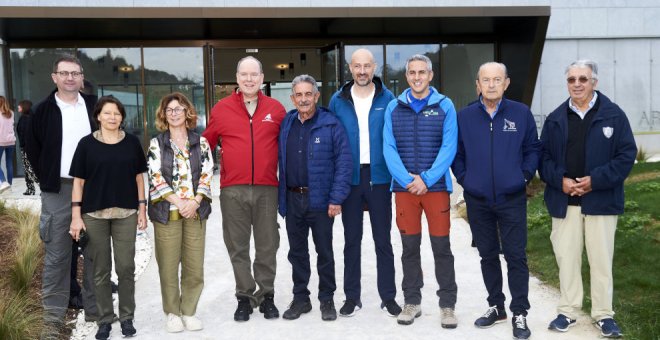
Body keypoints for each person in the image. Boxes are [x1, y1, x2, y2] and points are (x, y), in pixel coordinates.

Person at [539, 60, 636, 338]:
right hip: (564, 201)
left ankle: (604, 315)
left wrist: (596, 180)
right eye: (572, 79)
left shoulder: (614, 116)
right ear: (567, 83)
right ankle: (568, 311)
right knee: (566, 259)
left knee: (601, 261)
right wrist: (562, 181)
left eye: (583, 78)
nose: (577, 84)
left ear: (594, 82)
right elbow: (542, 159)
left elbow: (626, 156)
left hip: (601, 203)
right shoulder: (556, 118)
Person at [452, 62, 541, 340]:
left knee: (515, 255)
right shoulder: (464, 116)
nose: (491, 85)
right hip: (478, 199)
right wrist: (467, 180)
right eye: (486, 80)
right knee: (487, 255)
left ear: (506, 83)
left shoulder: (521, 113)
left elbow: (532, 149)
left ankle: (519, 312)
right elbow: (457, 153)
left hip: (511, 197)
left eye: (497, 79)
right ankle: (496, 306)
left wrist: (523, 177)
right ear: (478, 84)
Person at [202, 56, 286, 321]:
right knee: (237, 246)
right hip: (232, 190)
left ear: (262, 78)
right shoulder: (221, 109)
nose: (249, 79)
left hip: (266, 189)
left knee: (267, 245)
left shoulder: (277, 109)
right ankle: (244, 297)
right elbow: (205, 146)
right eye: (244, 74)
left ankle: (267, 294)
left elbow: (288, 147)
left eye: (254, 74)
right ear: (237, 78)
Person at [25, 55, 99, 338]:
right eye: (64, 73)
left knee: (96, 252)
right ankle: (53, 320)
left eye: (75, 73)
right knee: (57, 255)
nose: (70, 78)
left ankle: (95, 309)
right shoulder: (41, 112)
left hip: (94, 187)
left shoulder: (95, 107)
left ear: (82, 78)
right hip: (58, 190)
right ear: (54, 77)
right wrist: (49, 179)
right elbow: (33, 150)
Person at [383, 54, 458, 328]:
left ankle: (448, 305)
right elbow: (388, 149)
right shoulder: (393, 107)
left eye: (422, 72)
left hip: (436, 188)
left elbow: (449, 147)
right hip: (405, 191)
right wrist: (407, 180)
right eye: (412, 73)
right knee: (409, 248)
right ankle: (412, 301)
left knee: (442, 248)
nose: (417, 77)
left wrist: (425, 179)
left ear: (430, 75)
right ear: (406, 77)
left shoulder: (445, 106)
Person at [329, 48, 401, 317]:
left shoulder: (388, 98)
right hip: (349, 178)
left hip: (379, 177)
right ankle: (352, 297)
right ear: (350, 68)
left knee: (383, 240)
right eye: (357, 66)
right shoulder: (338, 100)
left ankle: (389, 296)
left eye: (367, 66)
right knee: (351, 241)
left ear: (375, 67)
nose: (362, 71)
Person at [68, 96, 147, 340]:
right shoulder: (86, 145)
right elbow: (78, 183)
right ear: (98, 116)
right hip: (94, 215)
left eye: (117, 113)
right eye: (107, 113)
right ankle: (104, 320)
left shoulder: (132, 143)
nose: (112, 117)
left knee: (125, 267)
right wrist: (75, 217)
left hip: (126, 214)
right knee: (100, 271)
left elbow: (139, 179)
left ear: (122, 117)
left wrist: (142, 209)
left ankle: (126, 318)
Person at [277, 74, 352, 322]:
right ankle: (301, 298)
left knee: (324, 252)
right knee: (297, 253)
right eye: (299, 94)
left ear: (317, 96)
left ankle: (327, 298)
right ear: (292, 98)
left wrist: (336, 198)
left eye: (308, 94)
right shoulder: (287, 123)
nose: (304, 99)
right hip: (292, 198)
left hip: (320, 201)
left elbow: (344, 162)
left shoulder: (331, 124)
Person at [147, 92, 213, 333]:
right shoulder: (157, 143)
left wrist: (194, 202)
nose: (174, 113)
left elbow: (207, 173)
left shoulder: (201, 142)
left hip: (195, 212)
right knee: (168, 266)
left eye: (178, 108)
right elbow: (155, 177)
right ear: (164, 115)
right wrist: (179, 202)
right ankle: (173, 313)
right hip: (167, 213)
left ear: (188, 112)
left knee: (195, 266)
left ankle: (189, 311)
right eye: (169, 110)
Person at [16, 99, 39, 195]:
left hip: (27, 148)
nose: (18, 107)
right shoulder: (28, 118)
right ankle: (30, 189)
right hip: (27, 147)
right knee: (27, 169)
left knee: (29, 168)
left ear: (24, 107)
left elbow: (26, 135)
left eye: (19, 106)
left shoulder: (25, 119)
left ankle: (42, 185)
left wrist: (25, 147)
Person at [0, 95, 16, 193]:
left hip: (1, 141)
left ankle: (4, 182)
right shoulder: (11, 113)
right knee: (9, 163)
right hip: (11, 141)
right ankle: (9, 185)